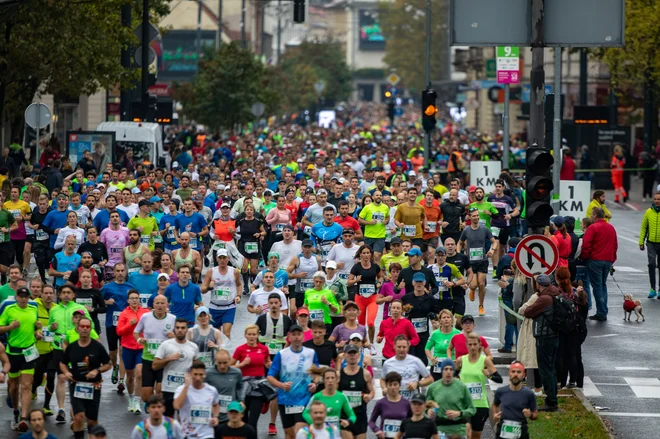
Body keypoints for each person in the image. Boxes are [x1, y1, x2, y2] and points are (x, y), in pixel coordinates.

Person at [60, 316, 112, 439]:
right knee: (79, 417)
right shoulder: (72, 347)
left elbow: (108, 364)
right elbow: (62, 363)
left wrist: (97, 370)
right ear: (77, 329)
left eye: (87, 327)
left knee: (92, 421)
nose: (84, 329)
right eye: (82, 326)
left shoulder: (97, 347)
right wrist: (66, 372)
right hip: (76, 384)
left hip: (93, 386)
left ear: (90, 329)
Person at [267, 324, 320, 439]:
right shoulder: (281, 355)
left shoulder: (310, 353)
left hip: (304, 400)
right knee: (289, 434)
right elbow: (270, 377)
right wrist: (281, 385)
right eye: (293, 335)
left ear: (303, 337)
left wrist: (314, 383)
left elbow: (317, 372)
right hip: (285, 400)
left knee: (301, 433)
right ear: (289, 337)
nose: (296, 337)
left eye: (299, 334)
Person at [0, 286, 39, 432]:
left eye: (26, 296)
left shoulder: (33, 309)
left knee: (27, 385)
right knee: (14, 386)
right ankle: (16, 410)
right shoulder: (9, 309)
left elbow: (35, 328)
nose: (23, 298)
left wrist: (38, 331)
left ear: (28, 297)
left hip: (29, 352)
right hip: (13, 353)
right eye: (21, 296)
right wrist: (11, 327)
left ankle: (23, 418)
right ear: (16, 297)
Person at [522, 274, 560, 411]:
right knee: (551, 368)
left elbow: (527, 312)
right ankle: (553, 398)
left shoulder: (544, 299)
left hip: (544, 336)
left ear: (538, 284)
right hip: (554, 336)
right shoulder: (556, 293)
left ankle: (551, 401)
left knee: (545, 370)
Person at [455, 333, 502, 439]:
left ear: (479, 345)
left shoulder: (484, 360)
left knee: (475, 436)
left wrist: (489, 376)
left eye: (475, 344)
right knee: (463, 433)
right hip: (463, 404)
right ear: (466, 345)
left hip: (480, 404)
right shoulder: (460, 360)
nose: (472, 347)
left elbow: (499, 379)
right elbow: (453, 375)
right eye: (470, 344)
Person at [153, 317, 200, 417]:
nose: (180, 330)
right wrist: (169, 358)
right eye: (177, 328)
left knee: (183, 417)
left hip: (185, 388)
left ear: (187, 329)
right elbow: (155, 365)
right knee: (168, 418)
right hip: (168, 388)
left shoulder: (193, 347)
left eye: (183, 328)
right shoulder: (166, 345)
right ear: (174, 329)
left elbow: (197, 367)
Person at [134, 294, 176, 404]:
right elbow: (136, 332)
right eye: (157, 303)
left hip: (164, 361)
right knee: (146, 396)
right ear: (153, 305)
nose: (160, 305)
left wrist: (174, 337)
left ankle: (158, 412)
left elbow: (180, 338)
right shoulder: (145, 317)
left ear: (167, 305)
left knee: (160, 391)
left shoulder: (172, 319)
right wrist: (139, 340)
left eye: (162, 303)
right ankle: (151, 405)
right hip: (148, 358)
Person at [458, 208, 497, 316]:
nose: (476, 217)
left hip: (482, 260)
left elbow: (494, 242)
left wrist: (492, 250)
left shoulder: (484, 229)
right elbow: (460, 243)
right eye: (474, 216)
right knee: (474, 285)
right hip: (470, 261)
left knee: (481, 283)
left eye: (477, 215)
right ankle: (472, 290)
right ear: (470, 217)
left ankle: (481, 305)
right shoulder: (466, 230)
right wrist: (458, 254)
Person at [102, 263, 134, 392]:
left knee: (123, 351)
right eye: (118, 271)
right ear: (114, 273)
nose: (120, 273)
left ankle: (121, 380)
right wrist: (106, 302)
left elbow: (135, 301)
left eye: (122, 271)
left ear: (126, 272)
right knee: (113, 353)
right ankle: (115, 366)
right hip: (111, 323)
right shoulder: (107, 287)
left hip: (125, 325)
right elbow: (98, 300)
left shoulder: (130, 287)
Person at [232, 324, 272, 427]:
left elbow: (267, 362)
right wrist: (241, 364)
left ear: (257, 336)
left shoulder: (264, 349)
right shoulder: (240, 349)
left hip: (258, 387)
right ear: (245, 335)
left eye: (254, 334)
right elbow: (230, 367)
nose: (251, 337)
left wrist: (269, 365)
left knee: (253, 422)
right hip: (243, 387)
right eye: (249, 334)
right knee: (243, 421)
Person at [581, 207, 617, 320]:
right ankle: (603, 310)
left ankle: (601, 312)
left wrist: (584, 257)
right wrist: (612, 258)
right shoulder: (611, 227)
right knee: (603, 285)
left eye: (592, 214)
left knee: (597, 286)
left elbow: (586, 245)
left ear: (595, 215)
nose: (591, 216)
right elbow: (615, 245)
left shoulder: (592, 228)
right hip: (608, 260)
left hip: (595, 260)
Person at [425, 358, 475, 439]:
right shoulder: (433, 387)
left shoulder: (462, 387)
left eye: (451, 369)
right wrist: (429, 411)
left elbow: (472, 409)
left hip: (458, 430)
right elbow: (426, 407)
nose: (448, 372)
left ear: (454, 371)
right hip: (440, 429)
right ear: (442, 371)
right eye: (446, 369)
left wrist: (459, 413)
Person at [117, 289, 149, 414]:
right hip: (128, 347)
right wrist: (129, 325)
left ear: (139, 299)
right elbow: (119, 332)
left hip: (141, 348)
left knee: (140, 374)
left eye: (137, 298)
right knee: (130, 377)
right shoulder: (124, 314)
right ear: (128, 300)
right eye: (132, 298)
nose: (135, 300)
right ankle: (130, 398)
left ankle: (137, 401)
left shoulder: (145, 313)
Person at [172, 360, 221, 439]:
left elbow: (216, 404)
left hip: (207, 434)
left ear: (205, 374)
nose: (198, 378)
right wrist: (186, 387)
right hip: (187, 434)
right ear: (190, 374)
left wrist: (215, 417)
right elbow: (177, 406)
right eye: (195, 374)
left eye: (201, 374)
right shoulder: (181, 389)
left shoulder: (212, 390)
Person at [492, 361, 539, 439]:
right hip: (503, 430)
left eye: (519, 372)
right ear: (509, 374)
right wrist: (495, 415)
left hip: (521, 430)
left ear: (524, 375)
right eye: (513, 372)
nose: (515, 374)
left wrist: (530, 415)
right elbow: (495, 404)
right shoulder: (500, 391)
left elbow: (535, 414)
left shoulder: (529, 394)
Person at [201, 249, 242, 338]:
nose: (222, 260)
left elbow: (239, 285)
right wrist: (209, 287)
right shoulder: (211, 272)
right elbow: (202, 289)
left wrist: (238, 296)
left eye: (224, 258)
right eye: (220, 258)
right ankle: (217, 351)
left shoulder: (234, 271)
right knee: (216, 336)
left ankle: (225, 351)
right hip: (214, 307)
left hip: (229, 307)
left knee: (226, 334)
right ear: (217, 259)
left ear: (228, 258)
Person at [402, 272, 441, 365]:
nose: (418, 284)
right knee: (410, 357)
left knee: (422, 358)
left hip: (423, 333)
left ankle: (422, 378)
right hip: (409, 334)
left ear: (424, 283)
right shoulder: (406, 298)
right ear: (412, 283)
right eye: (417, 282)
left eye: (421, 282)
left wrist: (433, 316)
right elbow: (398, 313)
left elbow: (437, 315)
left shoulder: (430, 299)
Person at [338, 343, 375, 439]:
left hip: (360, 415)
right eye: (349, 353)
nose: (352, 355)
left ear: (358, 355)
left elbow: (372, 391)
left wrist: (369, 396)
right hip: (344, 415)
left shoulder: (365, 374)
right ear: (345, 355)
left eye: (354, 353)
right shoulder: (339, 375)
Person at [348, 245, 382, 347]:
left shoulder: (375, 266)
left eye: (368, 253)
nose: (366, 255)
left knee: (371, 322)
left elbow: (380, 277)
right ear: (360, 254)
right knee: (361, 325)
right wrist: (356, 280)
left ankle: (371, 344)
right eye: (364, 253)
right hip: (360, 298)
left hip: (372, 298)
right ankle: (362, 345)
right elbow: (349, 282)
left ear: (370, 254)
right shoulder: (356, 267)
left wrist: (379, 282)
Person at [380, 335, 433, 400]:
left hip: (411, 401)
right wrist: (385, 388)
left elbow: (430, 379)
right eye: (399, 347)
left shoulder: (416, 361)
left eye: (404, 347)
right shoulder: (388, 363)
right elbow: (382, 379)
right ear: (394, 347)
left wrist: (417, 384)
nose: (401, 349)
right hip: (393, 401)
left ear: (408, 347)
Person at [368, 371, 411, 439]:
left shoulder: (406, 403)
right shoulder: (381, 403)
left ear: (399, 385)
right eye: (390, 385)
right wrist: (377, 430)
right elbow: (371, 422)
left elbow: (412, 421)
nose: (392, 387)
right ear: (386, 386)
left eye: (395, 384)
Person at [425, 310, 460, 380]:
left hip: (452, 364)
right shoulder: (435, 334)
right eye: (444, 318)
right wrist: (431, 358)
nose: (446, 319)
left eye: (448, 317)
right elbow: (427, 348)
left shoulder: (457, 333)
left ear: (452, 320)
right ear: (440, 321)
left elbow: (463, 349)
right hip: (437, 365)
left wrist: (458, 360)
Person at [358, 190, 390, 263]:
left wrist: (386, 221)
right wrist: (369, 222)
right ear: (373, 197)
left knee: (377, 255)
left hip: (380, 236)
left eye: (380, 195)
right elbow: (359, 220)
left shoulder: (385, 207)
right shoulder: (367, 207)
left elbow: (387, 217)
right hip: (369, 235)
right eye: (377, 195)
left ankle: (377, 273)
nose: (379, 197)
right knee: (368, 257)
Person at [639, 192, 660, 298]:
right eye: (655, 199)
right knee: (651, 264)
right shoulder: (648, 212)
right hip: (651, 243)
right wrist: (641, 242)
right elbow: (644, 227)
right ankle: (652, 288)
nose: (657, 201)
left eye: (659, 199)